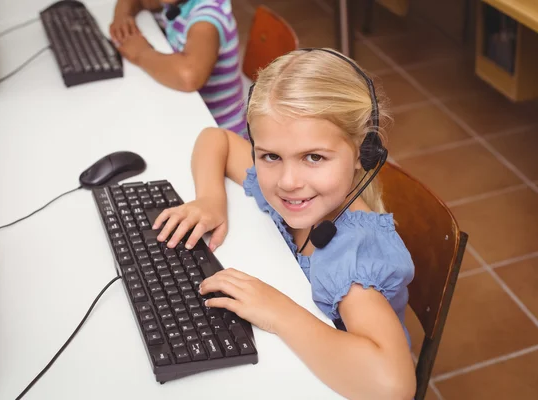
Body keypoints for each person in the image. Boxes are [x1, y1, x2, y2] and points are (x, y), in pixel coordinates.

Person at [151, 48, 417, 399]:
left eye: (314, 157)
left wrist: (277, 311)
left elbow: (393, 387)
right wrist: (210, 199)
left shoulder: (351, 260)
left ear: (363, 152)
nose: (288, 181)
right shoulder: (300, 194)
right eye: (271, 156)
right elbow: (214, 138)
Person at [110, 0, 247, 138]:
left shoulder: (209, 16)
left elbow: (189, 76)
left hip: (220, 132)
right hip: (187, 112)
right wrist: (123, 16)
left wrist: (142, 53)